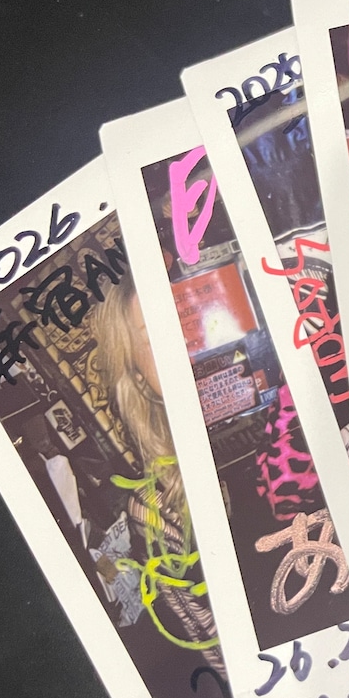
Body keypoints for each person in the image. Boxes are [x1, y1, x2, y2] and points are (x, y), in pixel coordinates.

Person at [92, 276, 224, 673]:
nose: (186, 343)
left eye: (190, 319)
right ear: (138, 377)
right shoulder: (156, 508)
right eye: (156, 338)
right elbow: (219, 651)